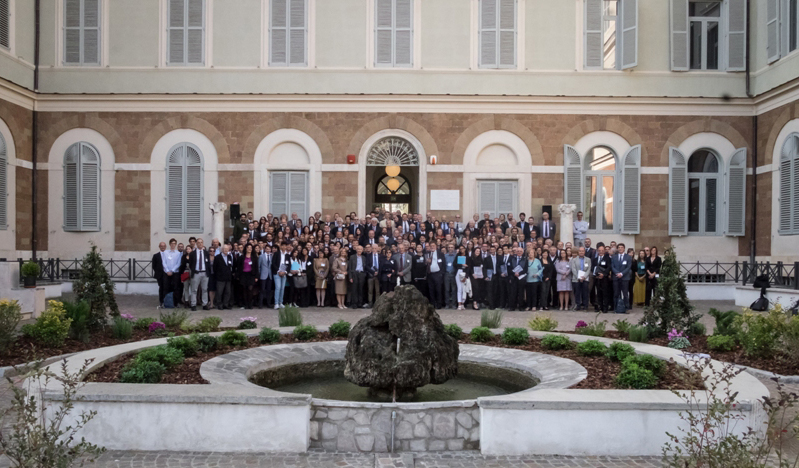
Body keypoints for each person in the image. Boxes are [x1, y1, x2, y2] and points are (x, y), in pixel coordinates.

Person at [188, 238, 211, 311]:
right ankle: (193, 304)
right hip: (196, 273)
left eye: (201, 242)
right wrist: (194, 270)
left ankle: (205, 304)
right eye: (198, 242)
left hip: (204, 273)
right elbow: (191, 264)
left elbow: (208, 263)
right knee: (194, 290)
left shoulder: (206, 253)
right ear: (196, 244)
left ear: (203, 243)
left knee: (205, 289)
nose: (200, 244)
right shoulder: (192, 253)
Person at [611, 242, 632, 313]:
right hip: (616, 277)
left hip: (624, 278)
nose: (620, 249)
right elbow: (612, 266)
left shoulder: (628, 257)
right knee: (616, 293)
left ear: (624, 249)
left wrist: (622, 273)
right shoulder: (614, 257)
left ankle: (627, 308)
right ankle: (615, 308)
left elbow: (628, 267)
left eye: (621, 247)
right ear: (617, 249)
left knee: (625, 293)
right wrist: (617, 273)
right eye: (619, 247)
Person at [237, 243, 259, 310]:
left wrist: (256, 276)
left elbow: (256, 268)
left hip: (251, 275)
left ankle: (250, 304)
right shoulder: (241, 257)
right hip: (243, 275)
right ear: (246, 248)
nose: (249, 249)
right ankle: (245, 304)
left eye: (250, 248)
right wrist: (238, 276)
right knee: (244, 290)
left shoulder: (254, 258)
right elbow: (239, 267)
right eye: (248, 247)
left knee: (250, 289)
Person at [213, 244, 234, 310]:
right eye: (224, 249)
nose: (226, 250)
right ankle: (219, 304)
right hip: (220, 278)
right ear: (222, 249)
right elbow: (214, 268)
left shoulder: (229, 257)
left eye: (227, 249)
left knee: (228, 292)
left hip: (228, 278)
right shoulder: (217, 257)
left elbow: (230, 266)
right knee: (219, 292)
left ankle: (226, 304)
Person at [271, 241, 292, 309]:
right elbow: (273, 263)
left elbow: (289, 265)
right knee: (278, 287)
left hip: (284, 274)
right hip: (277, 273)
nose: (284, 247)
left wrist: (285, 272)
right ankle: (276, 303)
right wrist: (279, 271)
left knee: (282, 288)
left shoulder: (287, 255)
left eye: (285, 246)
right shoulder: (276, 253)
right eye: (283, 245)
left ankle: (281, 302)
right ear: (281, 246)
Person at [426, 241, 446, 309]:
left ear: (436, 246)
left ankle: (439, 304)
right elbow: (424, 264)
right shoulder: (427, 254)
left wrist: (441, 273)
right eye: (431, 246)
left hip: (438, 274)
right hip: (430, 274)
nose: (432, 247)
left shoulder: (440, 254)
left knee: (438, 290)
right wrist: (427, 262)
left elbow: (444, 264)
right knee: (431, 290)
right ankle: (432, 304)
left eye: (433, 245)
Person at [507, 247, 527, 311]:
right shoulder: (512, 259)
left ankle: (521, 307)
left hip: (521, 278)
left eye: (520, 251)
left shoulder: (525, 259)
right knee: (513, 293)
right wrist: (514, 273)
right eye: (518, 251)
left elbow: (526, 269)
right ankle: (512, 307)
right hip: (514, 278)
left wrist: (519, 273)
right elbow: (509, 268)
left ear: (522, 252)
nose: (519, 252)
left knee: (521, 293)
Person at [152, 242, 167, 307]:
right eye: (161, 246)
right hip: (160, 274)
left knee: (167, 287)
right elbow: (154, 266)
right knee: (161, 288)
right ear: (159, 247)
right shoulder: (156, 256)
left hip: (167, 274)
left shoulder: (168, 254)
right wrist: (158, 272)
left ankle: (167, 301)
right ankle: (161, 301)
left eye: (164, 246)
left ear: (165, 247)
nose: (163, 247)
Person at [444, 244, 458, 309]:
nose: (450, 248)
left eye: (451, 247)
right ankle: (447, 304)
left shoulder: (456, 256)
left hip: (454, 274)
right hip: (446, 274)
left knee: (454, 290)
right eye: (449, 247)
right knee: (446, 289)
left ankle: (454, 304)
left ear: (454, 248)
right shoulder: (445, 256)